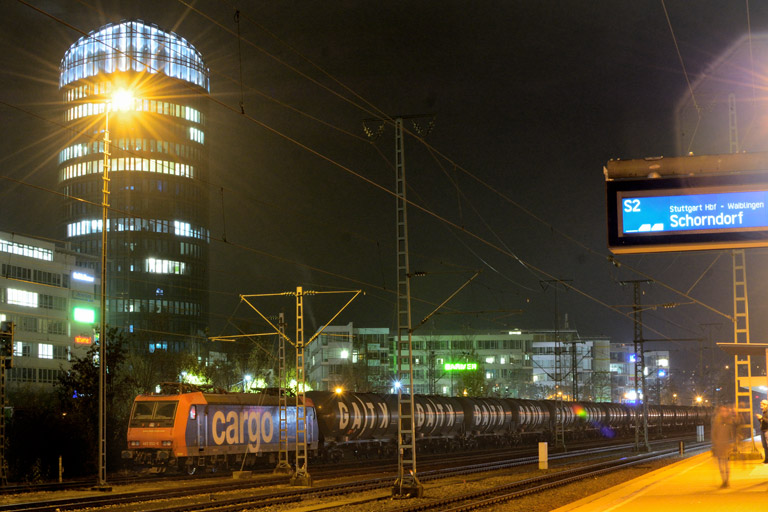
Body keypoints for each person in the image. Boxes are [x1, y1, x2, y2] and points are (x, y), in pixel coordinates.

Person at [712, 405, 735, 488]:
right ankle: (723, 480)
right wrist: (715, 444)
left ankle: (727, 481)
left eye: (725, 411)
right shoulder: (717, 422)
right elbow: (714, 433)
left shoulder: (730, 422)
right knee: (721, 464)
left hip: (727, 446)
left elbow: (732, 434)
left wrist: (732, 445)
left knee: (726, 464)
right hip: (719, 446)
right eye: (722, 411)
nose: (724, 412)